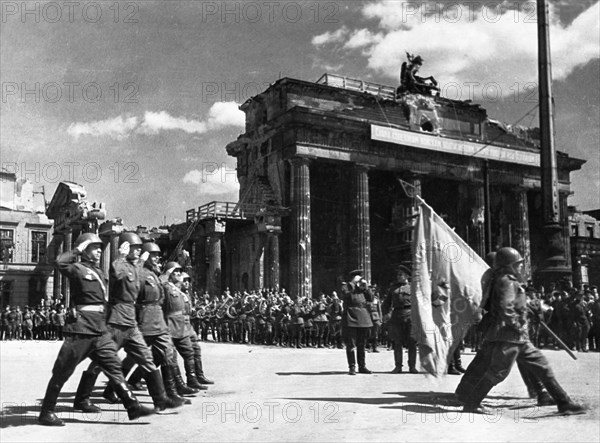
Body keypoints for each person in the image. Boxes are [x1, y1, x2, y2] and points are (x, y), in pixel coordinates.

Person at [38, 233, 154, 426]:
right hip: (81, 330)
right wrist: (77, 250)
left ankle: (132, 405)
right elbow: (60, 262)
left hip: (99, 329)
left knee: (113, 366)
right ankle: (46, 412)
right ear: (85, 248)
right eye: (95, 247)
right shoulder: (77, 268)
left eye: (101, 247)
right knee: (63, 370)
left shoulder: (98, 271)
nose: (100, 250)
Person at [455, 247, 584, 415]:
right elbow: (506, 307)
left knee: (542, 366)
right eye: (518, 264)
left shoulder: (509, 280)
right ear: (509, 265)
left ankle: (563, 402)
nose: (521, 267)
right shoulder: (506, 281)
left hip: (518, 337)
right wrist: (516, 324)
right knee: (498, 372)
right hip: (510, 336)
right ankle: (472, 403)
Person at [72, 232, 179, 414]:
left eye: (139, 249)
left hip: (131, 321)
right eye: (135, 248)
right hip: (116, 322)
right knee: (101, 362)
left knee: (146, 358)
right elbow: (116, 273)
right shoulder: (119, 265)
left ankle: (160, 400)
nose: (138, 252)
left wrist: (144, 263)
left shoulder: (135, 268)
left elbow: (146, 282)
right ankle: (82, 399)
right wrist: (121, 256)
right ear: (125, 248)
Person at [382, 265, 418, 374]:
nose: (398, 276)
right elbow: (386, 303)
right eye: (398, 274)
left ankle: (412, 366)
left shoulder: (413, 287)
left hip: (410, 315)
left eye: (401, 274)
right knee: (397, 342)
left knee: (412, 342)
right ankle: (398, 366)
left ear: (407, 276)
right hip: (397, 315)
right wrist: (385, 314)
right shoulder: (393, 288)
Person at [341, 270, 373, 375]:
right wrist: (353, 284)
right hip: (351, 317)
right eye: (358, 277)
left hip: (363, 317)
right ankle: (352, 367)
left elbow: (371, 298)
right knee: (351, 344)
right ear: (353, 277)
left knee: (362, 344)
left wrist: (366, 288)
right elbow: (345, 295)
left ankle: (362, 366)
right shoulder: (347, 286)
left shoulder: (362, 289)